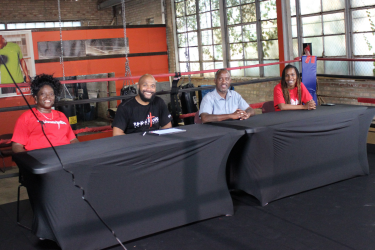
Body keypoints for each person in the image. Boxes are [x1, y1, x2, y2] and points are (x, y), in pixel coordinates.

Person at [11, 74, 79, 153]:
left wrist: (78, 152)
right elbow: (16, 146)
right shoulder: (26, 117)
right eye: (43, 94)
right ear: (36, 98)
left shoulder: (61, 115)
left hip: (65, 156)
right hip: (41, 160)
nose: (48, 97)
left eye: (51, 94)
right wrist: (30, 161)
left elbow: (73, 139)